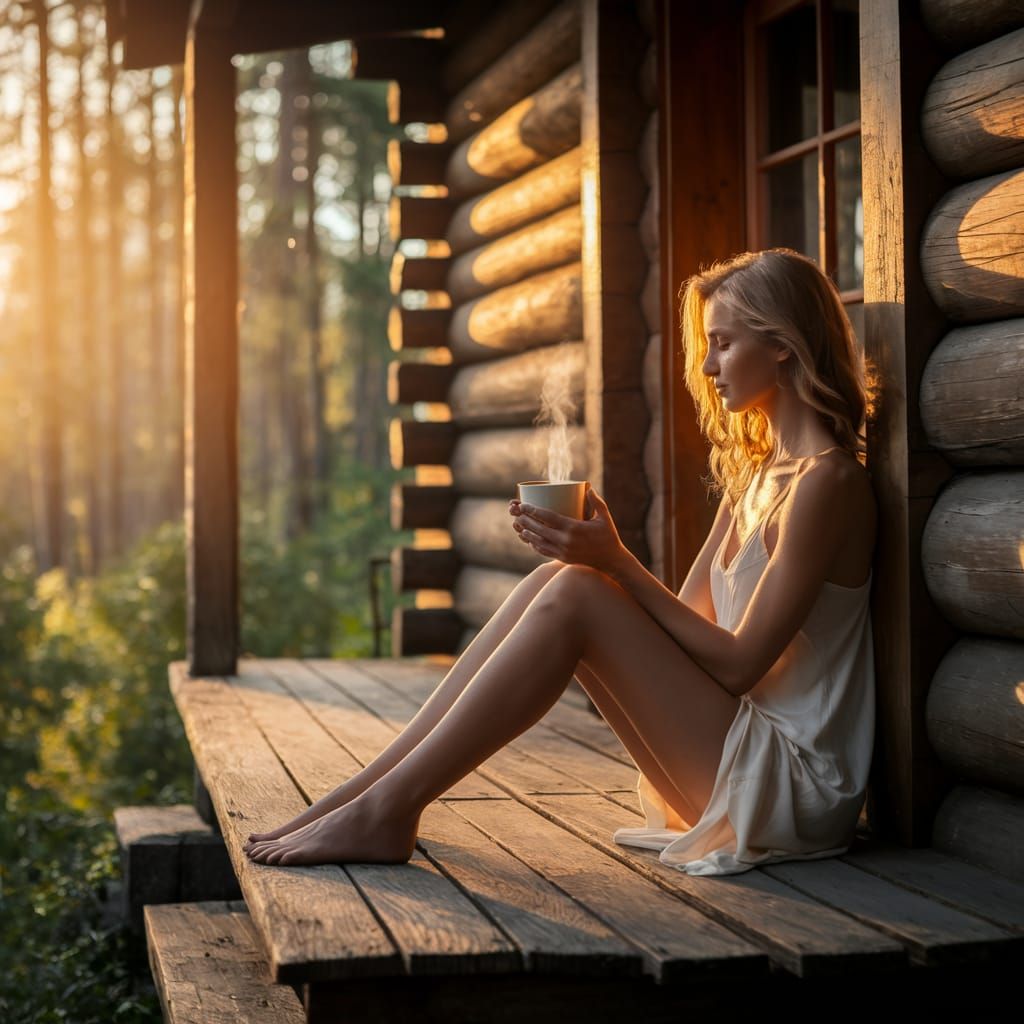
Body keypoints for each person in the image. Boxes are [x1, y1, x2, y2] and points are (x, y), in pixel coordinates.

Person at [244, 247, 880, 874]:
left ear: (782, 345)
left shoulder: (828, 483)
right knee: (562, 577)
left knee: (578, 590)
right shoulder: (756, 474)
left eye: (723, 343)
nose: (709, 366)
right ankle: (362, 798)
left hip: (796, 785)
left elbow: (739, 664)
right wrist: (593, 558)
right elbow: (688, 629)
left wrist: (618, 564)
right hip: (733, 749)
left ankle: (386, 808)